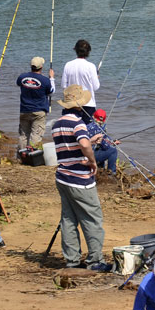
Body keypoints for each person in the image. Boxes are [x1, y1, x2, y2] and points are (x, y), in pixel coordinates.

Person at [52, 84, 109, 271]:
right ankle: (95, 261)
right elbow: (83, 144)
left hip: (62, 177)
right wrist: (92, 160)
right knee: (92, 219)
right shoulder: (78, 123)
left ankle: (72, 260)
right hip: (79, 179)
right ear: (79, 105)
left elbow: (71, 145)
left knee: (68, 219)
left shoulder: (57, 124)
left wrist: (90, 142)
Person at [16, 57, 55, 149]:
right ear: (41, 67)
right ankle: (33, 155)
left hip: (24, 110)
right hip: (39, 111)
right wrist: (52, 78)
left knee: (23, 134)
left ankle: (21, 155)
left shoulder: (22, 77)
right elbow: (51, 92)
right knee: (36, 135)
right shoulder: (45, 80)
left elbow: (18, 83)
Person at [62, 39, 99, 117]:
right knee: (86, 128)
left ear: (76, 50)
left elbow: (64, 86)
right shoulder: (91, 66)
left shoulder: (68, 65)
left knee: (71, 128)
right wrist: (97, 78)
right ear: (88, 52)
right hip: (88, 104)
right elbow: (96, 87)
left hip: (72, 104)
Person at [86, 109, 121, 176]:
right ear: (104, 120)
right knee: (113, 151)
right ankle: (111, 173)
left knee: (99, 149)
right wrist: (113, 144)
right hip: (91, 156)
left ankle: (100, 169)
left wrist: (110, 142)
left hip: (84, 154)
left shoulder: (87, 126)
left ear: (93, 116)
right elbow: (105, 147)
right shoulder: (100, 130)